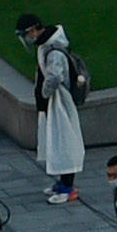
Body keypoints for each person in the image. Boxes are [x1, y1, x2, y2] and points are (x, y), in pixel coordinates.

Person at [19, 13, 90, 201]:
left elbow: (54, 76)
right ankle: (63, 182)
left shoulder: (54, 51)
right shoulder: (46, 46)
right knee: (56, 142)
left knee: (64, 143)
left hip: (60, 101)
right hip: (52, 102)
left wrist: (45, 93)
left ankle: (68, 186)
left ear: (34, 30)